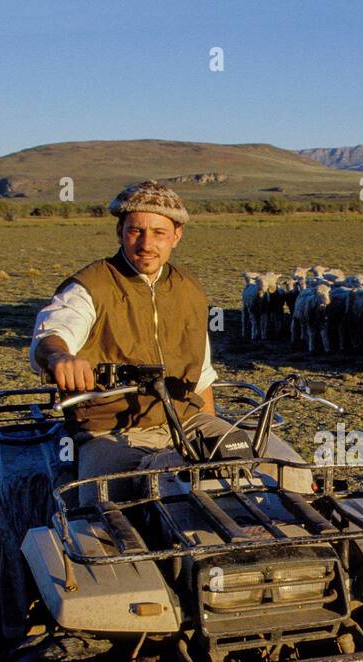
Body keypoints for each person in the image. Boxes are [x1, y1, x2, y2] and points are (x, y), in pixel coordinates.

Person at [30, 180, 310, 500]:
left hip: (188, 421)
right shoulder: (89, 286)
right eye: (136, 231)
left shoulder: (188, 289)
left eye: (159, 233)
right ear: (120, 231)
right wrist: (60, 357)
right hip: (112, 431)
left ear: (176, 236)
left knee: (287, 472)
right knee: (104, 506)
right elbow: (53, 332)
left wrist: (211, 428)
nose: (146, 243)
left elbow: (201, 371)